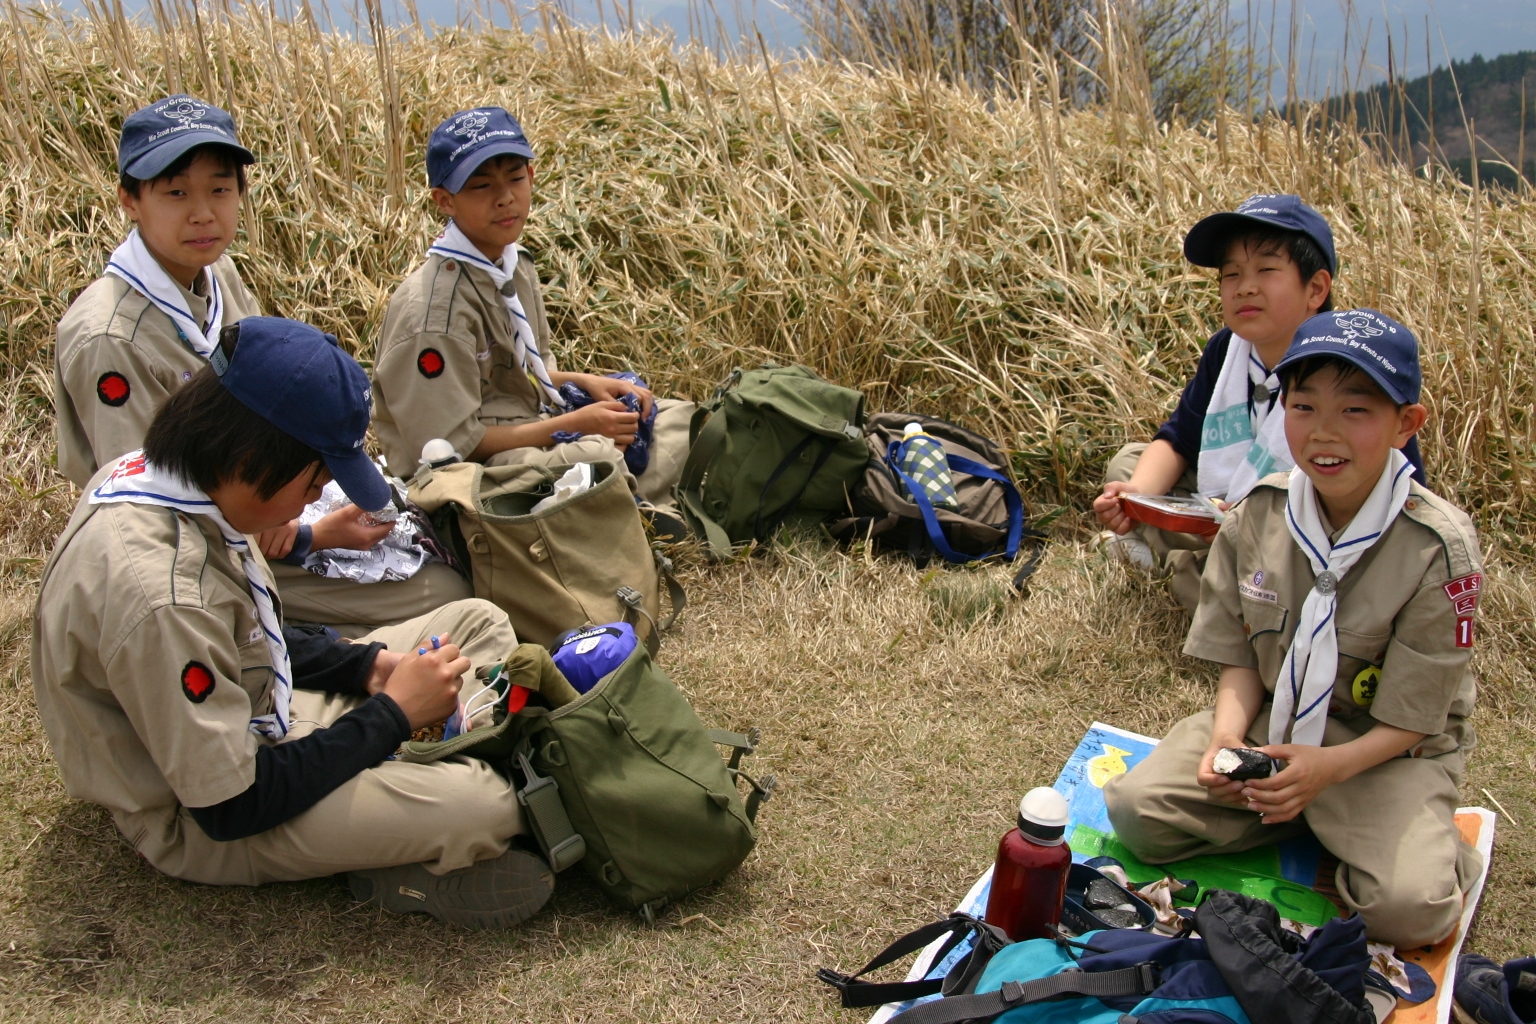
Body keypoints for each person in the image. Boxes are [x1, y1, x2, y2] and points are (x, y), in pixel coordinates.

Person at [31, 316, 552, 929]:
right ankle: (409, 842)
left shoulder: (168, 478)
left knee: (476, 620)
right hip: (201, 809)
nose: (314, 500)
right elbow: (231, 803)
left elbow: (247, 637)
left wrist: (367, 666)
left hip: (256, 704)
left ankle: (436, 764)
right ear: (252, 457)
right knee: (486, 804)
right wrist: (392, 716)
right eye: (315, 481)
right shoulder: (163, 596)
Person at [1104, 310, 1482, 949]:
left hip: (1378, 752)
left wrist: (1326, 770)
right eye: (1304, 406)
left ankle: (1419, 842)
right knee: (1135, 812)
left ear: (1406, 424)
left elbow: (1416, 717)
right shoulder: (1260, 513)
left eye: (1355, 410)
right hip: (1272, 726)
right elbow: (1240, 653)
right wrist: (1227, 741)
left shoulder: (1436, 549)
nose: (1324, 432)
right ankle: (1306, 816)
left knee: (1408, 913)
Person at [54, 93, 470, 636]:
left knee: (429, 532)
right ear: (129, 200)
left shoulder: (216, 274)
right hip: (193, 547)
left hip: (261, 497)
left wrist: (311, 502)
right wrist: (310, 538)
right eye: (176, 192)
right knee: (444, 593)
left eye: (219, 189)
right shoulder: (109, 338)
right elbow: (152, 508)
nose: (203, 213)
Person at [1092, 194, 1426, 609]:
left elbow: (1393, 490)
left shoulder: (1345, 364)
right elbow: (1181, 438)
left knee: (1266, 588)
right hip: (1229, 508)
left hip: (1305, 531)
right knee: (1131, 462)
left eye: (1266, 270)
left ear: (1315, 288)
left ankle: (1180, 571)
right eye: (1231, 274)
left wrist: (1251, 520)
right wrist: (1135, 499)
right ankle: (1198, 563)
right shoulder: (1228, 350)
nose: (1245, 286)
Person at [369, 106, 692, 529]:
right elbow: (447, 448)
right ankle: (631, 512)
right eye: (481, 186)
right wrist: (572, 426)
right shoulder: (433, 315)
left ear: (532, 177)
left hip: (530, 425)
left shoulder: (512, 264)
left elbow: (518, 374)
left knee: (677, 417)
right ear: (444, 200)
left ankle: (626, 505)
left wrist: (583, 383)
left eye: (515, 178)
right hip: (468, 473)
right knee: (596, 457)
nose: (504, 197)